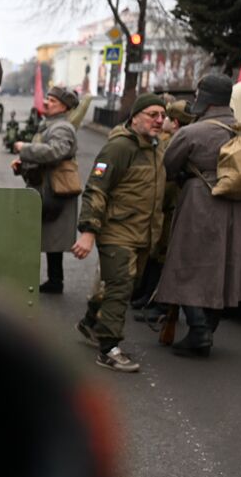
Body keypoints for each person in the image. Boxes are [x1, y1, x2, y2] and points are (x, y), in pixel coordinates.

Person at [155, 73, 241, 356]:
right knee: (227, 265)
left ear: (203, 97)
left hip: (201, 203)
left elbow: (169, 165)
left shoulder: (191, 133)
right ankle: (207, 327)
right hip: (239, 207)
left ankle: (199, 329)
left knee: (188, 263)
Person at [71, 92, 168, 372]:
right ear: (135, 116)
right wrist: (88, 232)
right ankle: (108, 349)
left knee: (122, 285)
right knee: (120, 287)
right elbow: (96, 190)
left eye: (162, 116)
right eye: (152, 114)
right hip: (117, 232)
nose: (159, 120)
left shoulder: (155, 149)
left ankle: (90, 322)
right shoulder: (119, 148)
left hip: (144, 234)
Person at [12, 85, 80, 294]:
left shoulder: (61, 128)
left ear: (64, 107)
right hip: (46, 187)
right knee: (49, 237)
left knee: (39, 234)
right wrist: (22, 164)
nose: (46, 102)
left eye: (52, 100)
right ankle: (54, 280)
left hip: (52, 190)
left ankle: (45, 280)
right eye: (48, 98)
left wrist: (25, 149)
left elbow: (55, 152)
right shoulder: (50, 125)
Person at [132, 97, 192, 323]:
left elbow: (166, 179)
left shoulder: (173, 143)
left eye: (165, 117)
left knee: (164, 255)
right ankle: (148, 297)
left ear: (175, 122)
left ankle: (160, 304)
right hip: (167, 207)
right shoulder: (168, 140)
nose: (161, 121)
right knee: (157, 254)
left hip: (170, 207)